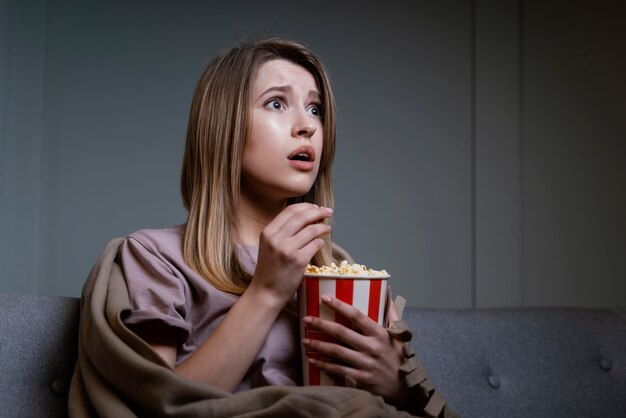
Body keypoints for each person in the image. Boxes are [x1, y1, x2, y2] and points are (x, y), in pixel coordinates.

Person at [83, 38, 454, 417]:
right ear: (222, 127)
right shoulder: (154, 257)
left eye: (315, 109)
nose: (307, 125)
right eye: (277, 103)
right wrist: (266, 292)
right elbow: (159, 406)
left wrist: (393, 381)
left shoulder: (335, 265)